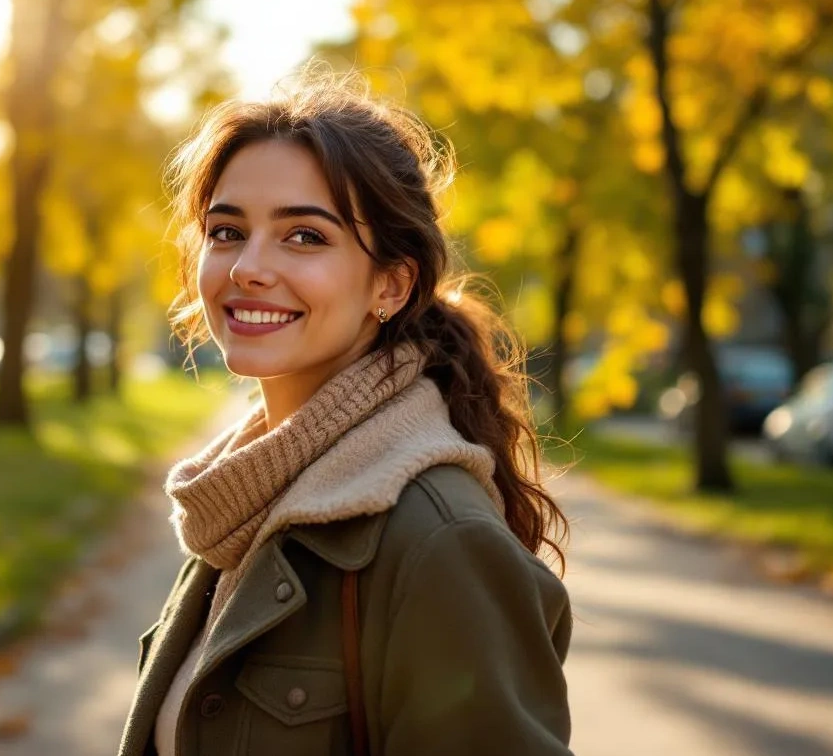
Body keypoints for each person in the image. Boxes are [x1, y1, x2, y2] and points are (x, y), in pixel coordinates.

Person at [116, 74, 573, 756]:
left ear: (391, 284)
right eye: (226, 230)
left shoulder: (437, 542)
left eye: (304, 236)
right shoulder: (243, 503)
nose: (248, 267)